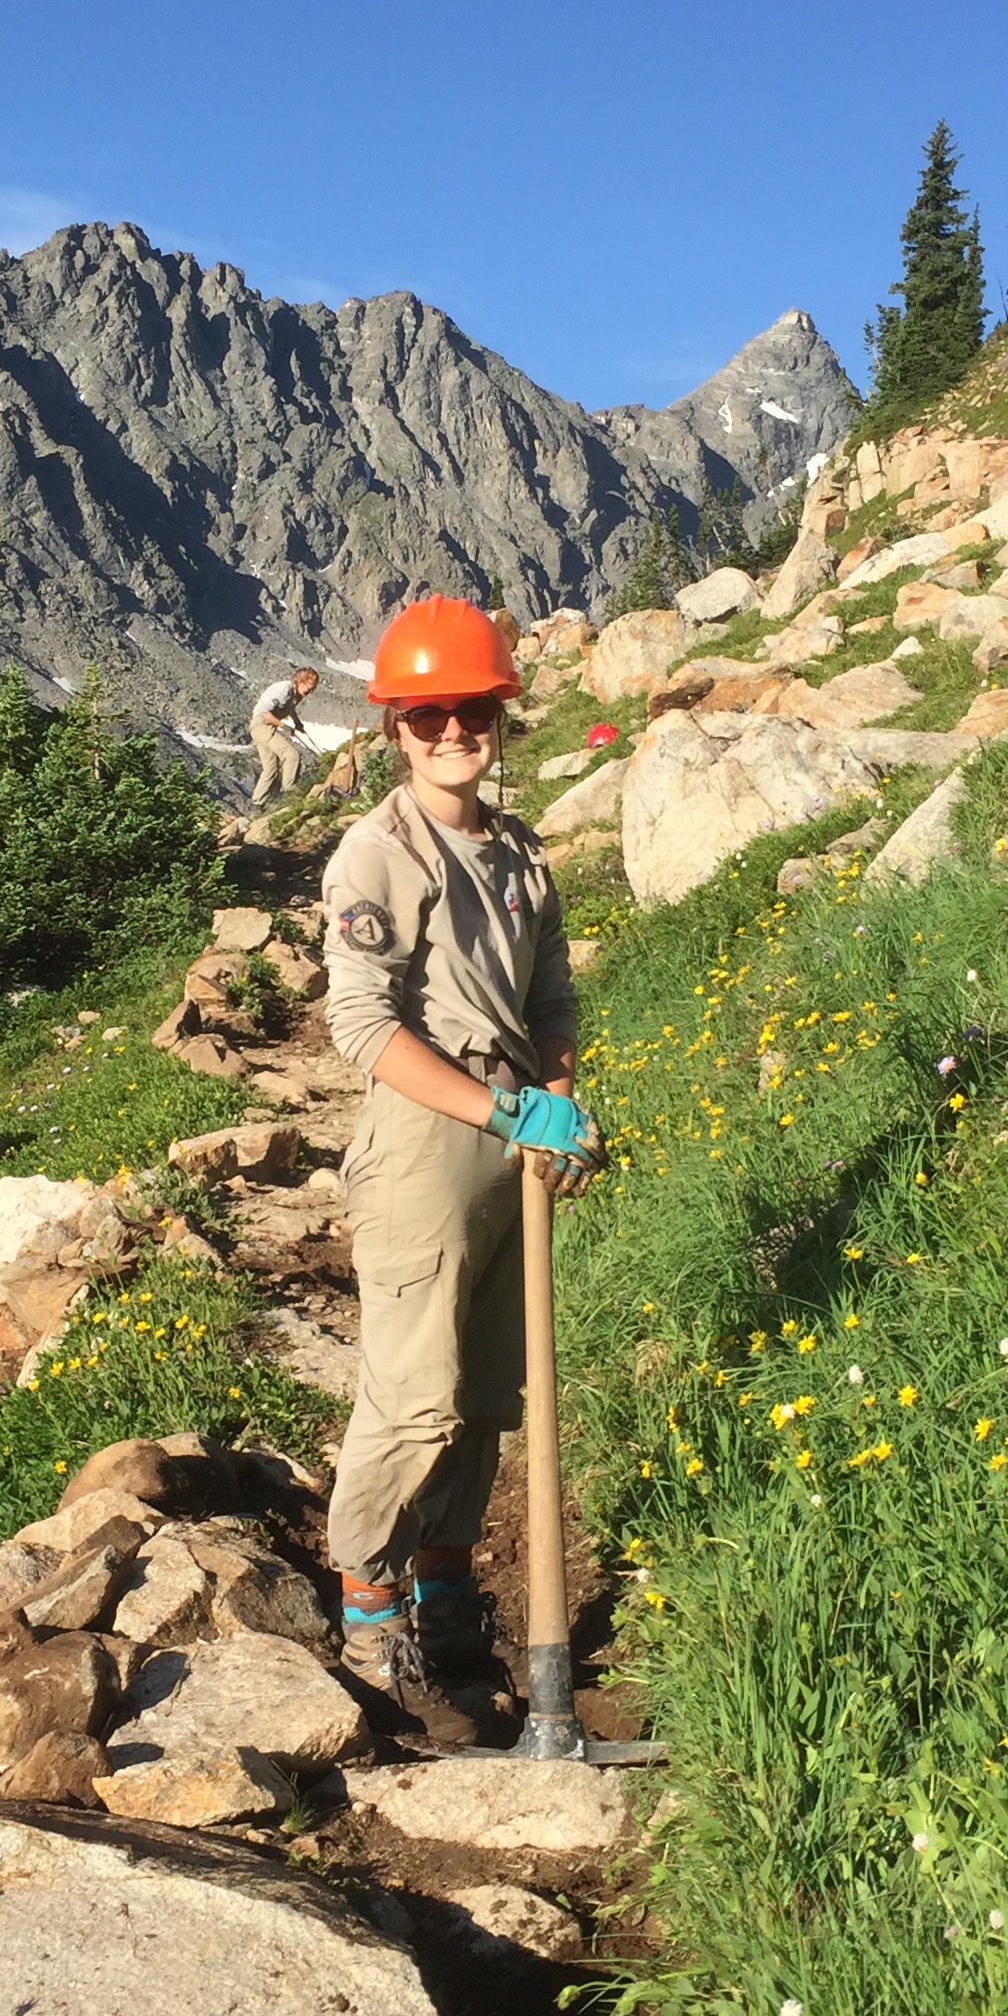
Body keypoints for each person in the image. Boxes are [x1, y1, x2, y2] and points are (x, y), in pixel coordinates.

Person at [319, 596, 602, 1701]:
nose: (453, 733)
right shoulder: (376, 854)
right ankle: (367, 1611)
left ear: (500, 717)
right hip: (425, 1141)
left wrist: (559, 1103)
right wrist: (501, 1113)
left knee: (488, 1388)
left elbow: (552, 998)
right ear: (394, 727)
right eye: (428, 713)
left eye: (472, 710)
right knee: (415, 1392)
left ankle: (444, 1597)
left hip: (511, 1134)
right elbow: (363, 1027)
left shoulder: (523, 852)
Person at [247, 666, 321, 813]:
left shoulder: (295, 694)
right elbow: (266, 715)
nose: (309, 692)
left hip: (261, 728)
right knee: (291, 755)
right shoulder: (282, 690)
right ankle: (289, 792)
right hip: (261, 724)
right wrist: (285, 727)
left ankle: (257, 804)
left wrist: (297, 723)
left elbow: (289, 708)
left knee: (271, 768)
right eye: (309, 687)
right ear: (300, 681)